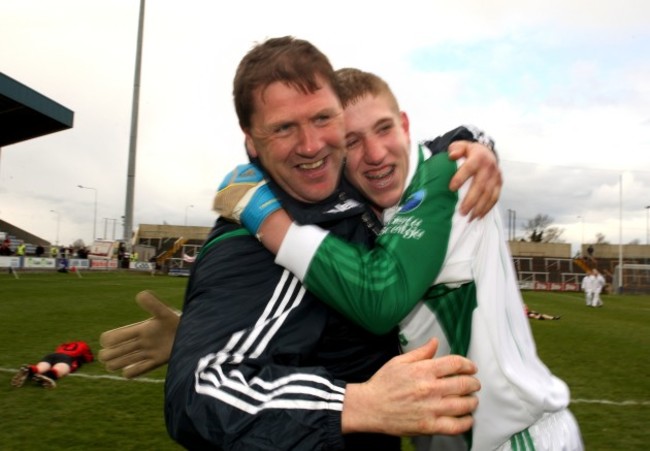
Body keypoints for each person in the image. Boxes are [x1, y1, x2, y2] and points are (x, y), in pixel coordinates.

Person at [102, 36, 501, 450]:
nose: (312, 145)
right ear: (251, 142)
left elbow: (428, 147)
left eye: (323, 118)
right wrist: (356, 403)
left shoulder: (344, 183)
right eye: (284, 128)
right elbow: (199, 392)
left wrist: (476, 147)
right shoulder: (247, 245)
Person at [219, 68, 583, 450]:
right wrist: (205, 332)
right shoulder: (363, 212)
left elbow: (380, 298)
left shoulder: (450, 176)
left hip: (515, 439)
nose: (375, 154)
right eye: (352, 141)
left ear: (405, 125)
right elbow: (321, 315)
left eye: (384, 129)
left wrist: (265, 216)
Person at [11, 341, 94, 389]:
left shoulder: (63, 345)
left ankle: (30, 369)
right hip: (67, 358)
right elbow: (89, 358)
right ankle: (48, 376)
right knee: (59, 369)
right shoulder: (83, 345)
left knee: (40, 367)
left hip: (52, 355)